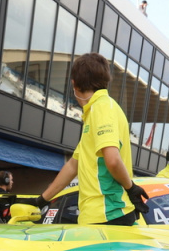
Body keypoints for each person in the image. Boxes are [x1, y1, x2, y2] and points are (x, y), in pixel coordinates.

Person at [35, 52, 147, 226]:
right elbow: (73, 165)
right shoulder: (96, 110)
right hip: (102, 214)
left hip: (107, 213)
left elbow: (112, 160)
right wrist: (41, 200)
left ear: (74, 83)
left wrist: (131, 188)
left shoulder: (102, 108)